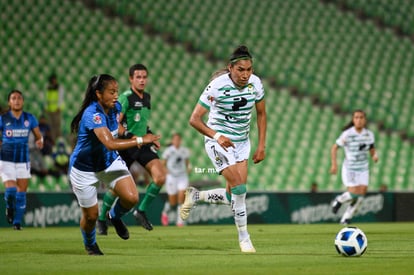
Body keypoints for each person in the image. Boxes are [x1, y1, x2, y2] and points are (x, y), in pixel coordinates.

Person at [181, 45, 267, 253]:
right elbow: (194, 119)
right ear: (230, 68)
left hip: (242, 143)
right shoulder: (216, 86)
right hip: (217, 141)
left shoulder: (255, 84)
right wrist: (217, 136)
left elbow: (262, 114)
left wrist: (261, 145)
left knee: (232, 196)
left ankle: (196, 196)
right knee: (240, 189)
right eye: (241, 70)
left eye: (249, 70)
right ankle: (244, 239)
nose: (245, 74)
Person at [69, 74, 159, 255]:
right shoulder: (92, 114)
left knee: (132, 197)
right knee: (91, 216)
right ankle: (90, 243)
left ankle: (114, 216)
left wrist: (130, 135)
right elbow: (109, 143)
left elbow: (117, 129)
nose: (116, 96)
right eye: (111, 92)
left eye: (117, 91)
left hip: (109, 161)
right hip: (84, 168)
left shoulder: (116, 107)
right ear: (98, 94)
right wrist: (140, 140)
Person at [97, 64, 166, 234]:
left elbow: (141, 123)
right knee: (115, 188)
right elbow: (115, 122)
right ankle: (101, 219)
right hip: (127, 144)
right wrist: (130, 136)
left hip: (143, 144)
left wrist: (149, 135)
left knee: (160, 177)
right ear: (131, 79)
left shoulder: (147, 98)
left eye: (144, 77)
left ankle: (140, 211)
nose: (142, 80)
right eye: (138, 77)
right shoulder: (125, 98)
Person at [0, 89, 44, 230]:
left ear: (23, 101)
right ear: (9, 102)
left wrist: (40, 141)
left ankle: (17, 223)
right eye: (13, 98)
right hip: (6, 158)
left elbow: (38, 136)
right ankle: (9, 207)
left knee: (21, 192)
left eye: (19, 98)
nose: (17, 100)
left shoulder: (29, 118)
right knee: (11, 190)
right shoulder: (3, 118)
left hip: (23, 159)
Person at [330, 110, 379, 225]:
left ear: (365, 120)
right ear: (353, 120)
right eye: (356, 117)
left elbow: (371, 148)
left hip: (363, 168)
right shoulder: (347, 134)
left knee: (361, 195)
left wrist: (374, 156)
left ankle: (346, 218)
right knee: (354, 193)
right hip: (350, 168)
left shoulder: (369, 134)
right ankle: (339, 200)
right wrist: (334, 164)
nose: (359, 120)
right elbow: (334, 148)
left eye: (361, 117)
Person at [160, 133, 190, 226]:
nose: (177, 141)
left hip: (182, 176)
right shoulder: (168, 151)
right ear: (172, 141)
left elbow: (187, 163)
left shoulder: (184, 151)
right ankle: (165, 213)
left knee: (181, 198)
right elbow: (163, 164)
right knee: (172, 202)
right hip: (171, 177)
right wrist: (166, 172)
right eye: (175, 139)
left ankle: (180, 221)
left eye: (178, 139)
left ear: (180, 141)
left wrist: (189, 168)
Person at [45, 73, 64, 141]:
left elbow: (60, 98)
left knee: (57, 126)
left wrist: (58, 107)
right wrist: (46, 107)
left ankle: (59, 140)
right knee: (51, 126)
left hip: (56, 110)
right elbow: (47, 98)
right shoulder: (48, 87)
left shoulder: (59, 87)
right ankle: (53, 140)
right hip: (50, 110)